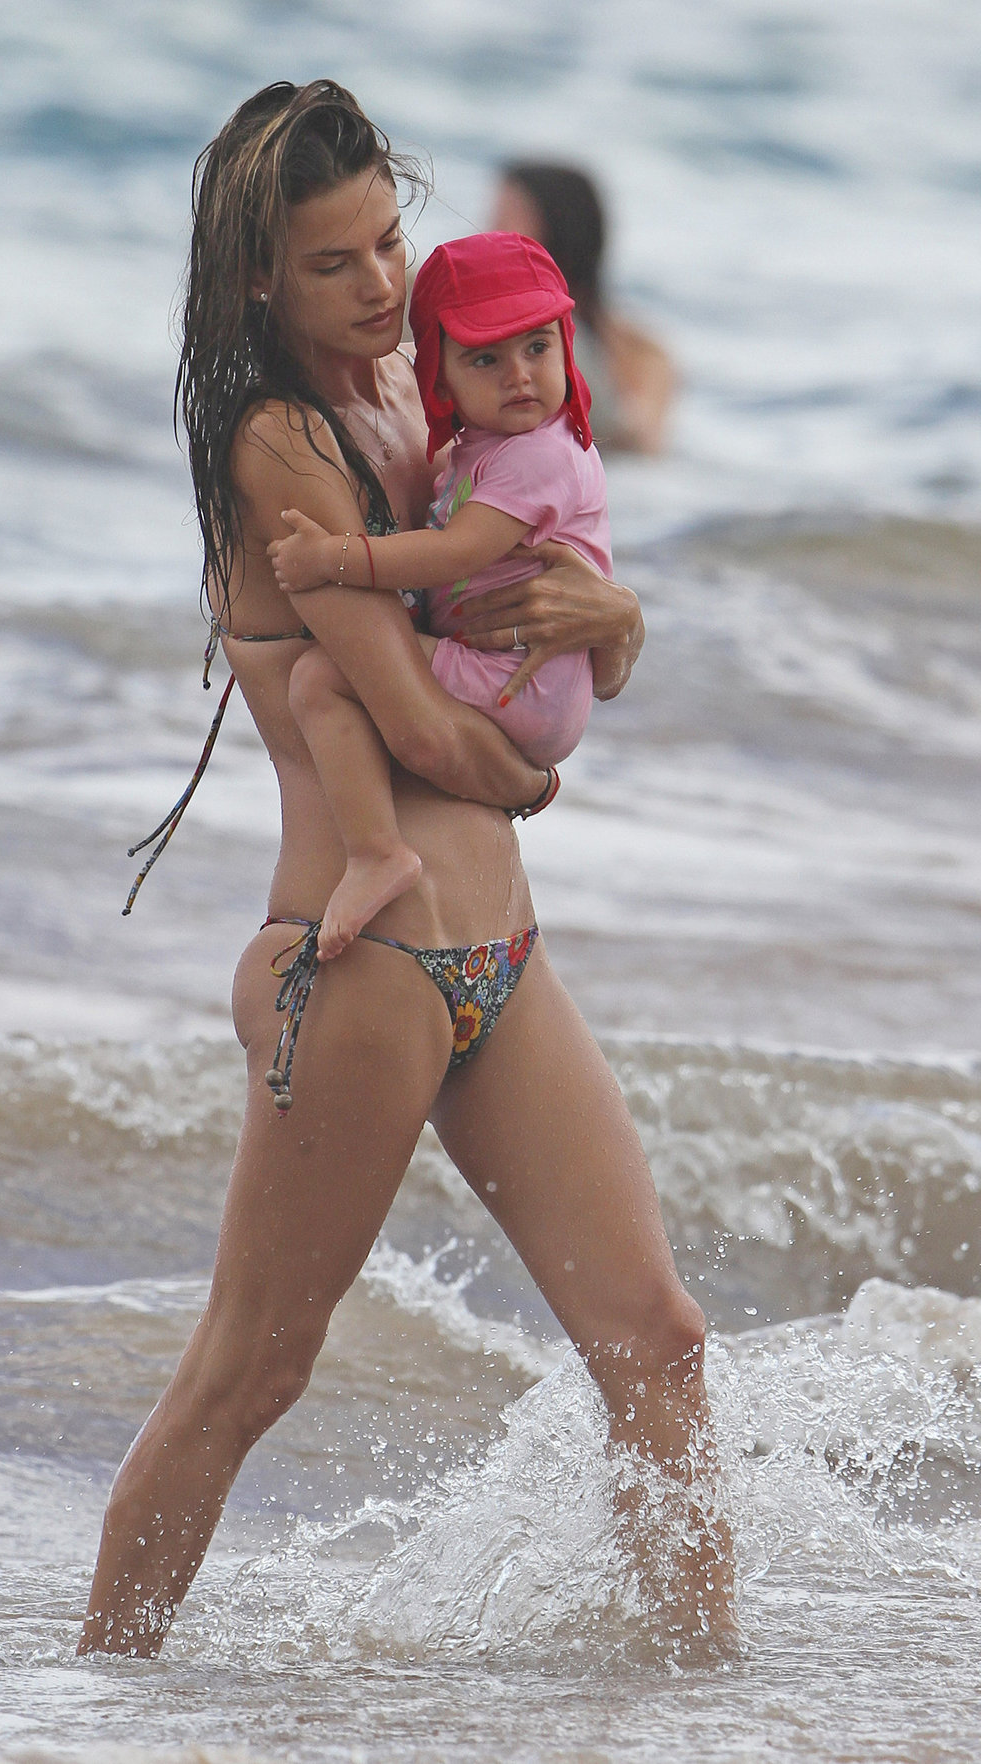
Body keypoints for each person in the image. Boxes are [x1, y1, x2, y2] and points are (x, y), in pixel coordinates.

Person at [78, 78, 734, 1660]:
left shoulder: (420, 395)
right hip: (361, 962)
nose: (382, 284)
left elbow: (565, 596)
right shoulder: (278, 444)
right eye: (334, 263)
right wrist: (543, 771)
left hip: (500, 956)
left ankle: (710, 1706)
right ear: (258, 278)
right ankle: (96, 1702)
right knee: (250, 1374)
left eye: (390, 240)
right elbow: (428, 729)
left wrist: (620, 625)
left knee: (659, 1342)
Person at [269, 230, 609, 961]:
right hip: (533, 686)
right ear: (441, 378)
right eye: (486, 358)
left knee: (320, 679)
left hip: (519, 682)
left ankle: (375, 853)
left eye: (537, 347)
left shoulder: (540, 455)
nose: (519, 376)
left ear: (567, 344)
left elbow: (454, 553)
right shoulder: (485, 447)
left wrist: (332, 558)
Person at [491, 162, 676, 455]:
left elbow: (644, 446)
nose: (491, 232)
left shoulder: (643, 352)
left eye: (507, 217)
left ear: (560, 229)